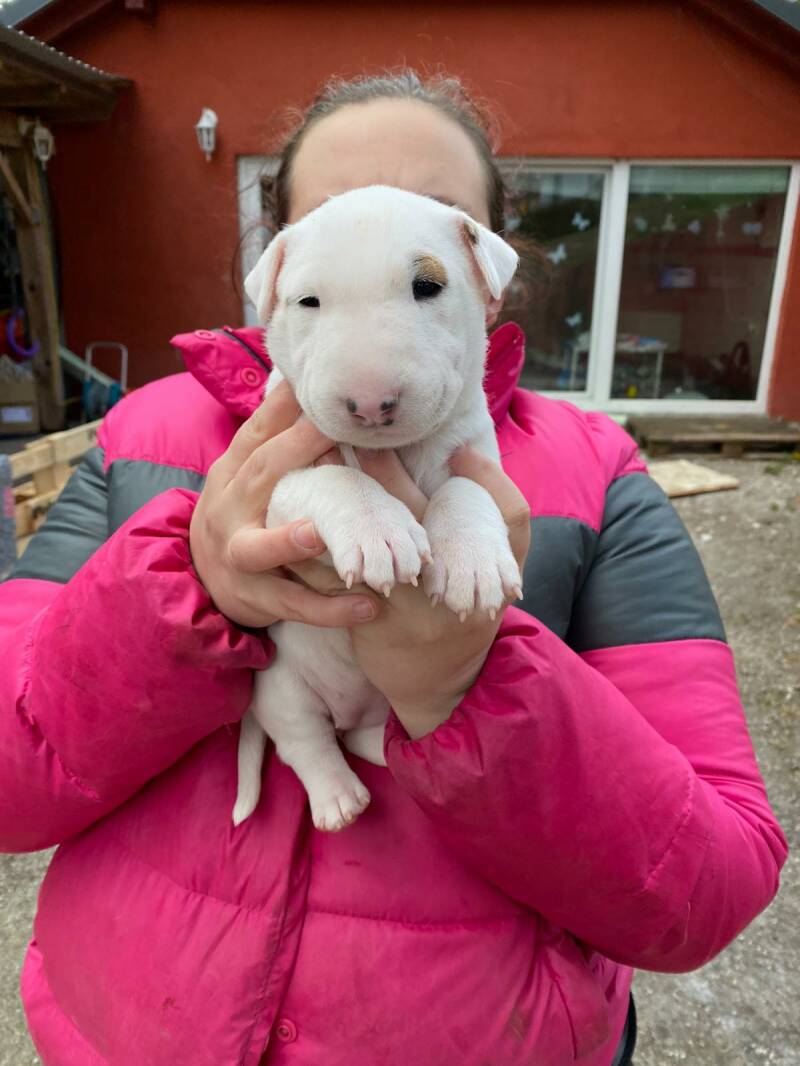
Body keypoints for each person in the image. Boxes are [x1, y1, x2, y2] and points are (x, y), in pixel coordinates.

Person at [0, 71, 786, 1066]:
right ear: (278, 265)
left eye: (420, 263)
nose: (374, 357)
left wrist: (465, 680)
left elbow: (704, 885)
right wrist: (192, 594)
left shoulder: (596, 476)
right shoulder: (140, 436)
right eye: (334, 235)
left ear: (484, 270)